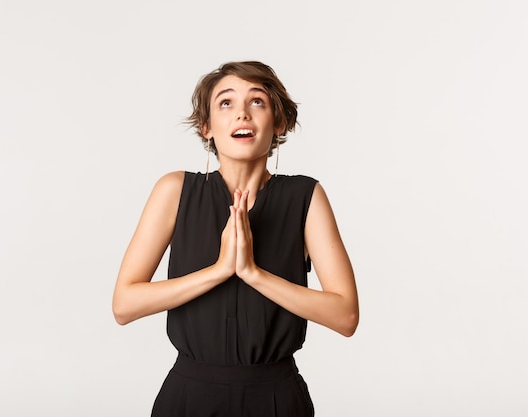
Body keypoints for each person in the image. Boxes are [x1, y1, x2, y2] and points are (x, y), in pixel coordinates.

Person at [112, 61, 359, 417]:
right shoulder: (174, 190)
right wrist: (220, 270)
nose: (241, 113)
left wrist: (253, 273)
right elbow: (124, 305)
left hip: (277, 398)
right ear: (206, 127)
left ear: (280, 122)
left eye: (257, 101)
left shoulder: (306, 196)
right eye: (226, 103)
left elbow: (345, 316)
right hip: (189, 398)